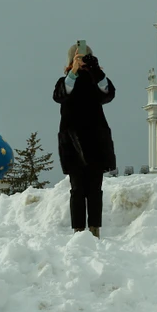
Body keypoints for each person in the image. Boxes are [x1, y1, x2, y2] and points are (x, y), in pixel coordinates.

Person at [53, 43, 116, 237]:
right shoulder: (65, 81)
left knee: (95, 189)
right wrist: (73, 71)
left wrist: (95, 70)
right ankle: (78, 229)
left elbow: (108, 94)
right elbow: (59, 95)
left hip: (96, 141)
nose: (82, 62)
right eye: (78, 58)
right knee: (78, 189)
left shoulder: (95, 80)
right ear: (72, 59)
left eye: (85, 58)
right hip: (72, 142)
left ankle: (94, 228)